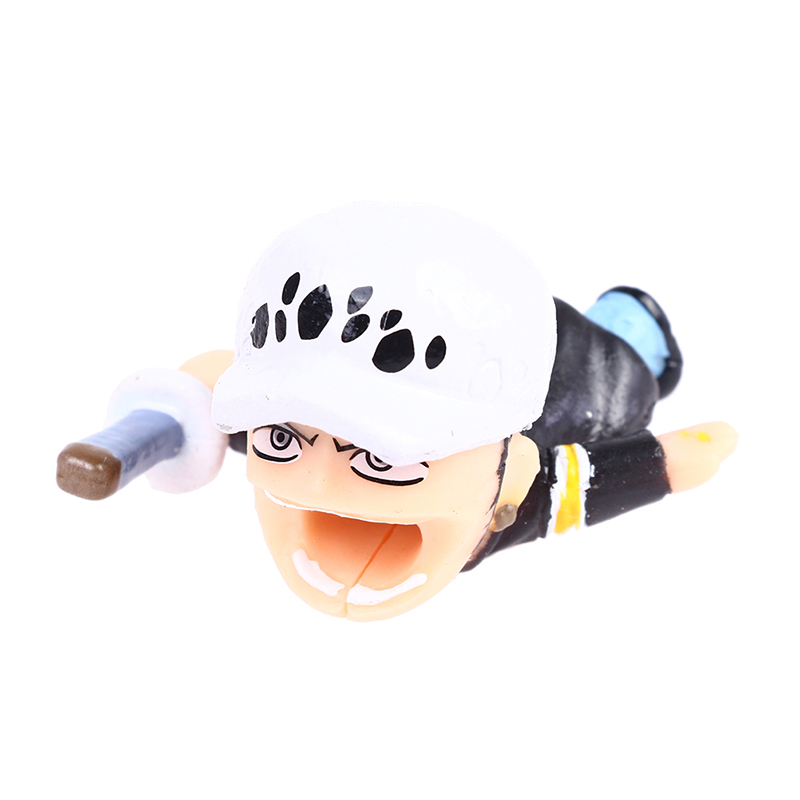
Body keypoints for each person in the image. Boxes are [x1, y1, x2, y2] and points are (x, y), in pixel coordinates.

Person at [57, 203, 737, 621]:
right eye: (284, 439)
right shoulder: (267, 437)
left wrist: (677, 456)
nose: (319, 481)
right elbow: (216, 383)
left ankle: (632, 322)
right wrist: (185, 410)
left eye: (385, 459)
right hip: (481, 333)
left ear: (509, 472)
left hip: (584, 373)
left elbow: (608, 478)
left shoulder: (519, 487)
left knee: (632, 374)